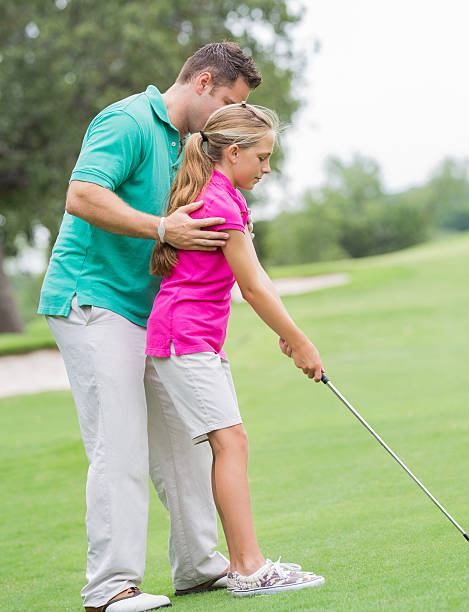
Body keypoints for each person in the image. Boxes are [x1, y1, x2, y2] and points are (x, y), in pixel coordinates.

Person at [38, 42, 265, 612]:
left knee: (186, 446)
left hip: (152, 313)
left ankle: (197, 567)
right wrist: (163, 227)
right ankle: (110, 590)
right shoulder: (129, 120)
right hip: (92, 300)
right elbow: (82, 195)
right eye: (228, 102)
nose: (228, 117)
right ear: (204, 81)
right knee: (120, 445)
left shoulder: (192, 145)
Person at [146, 102, 326, 597]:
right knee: (232, 443)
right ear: (232, 152)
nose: (268, 168)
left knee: (230, 443)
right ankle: (248, 569)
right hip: (184, 340)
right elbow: (254, 289)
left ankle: (245, 565)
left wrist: (287, 333)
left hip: (194, 340)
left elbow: (258, 281)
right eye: (263, 157)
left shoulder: (225, 194)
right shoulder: (220, 202)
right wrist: (301, 341)